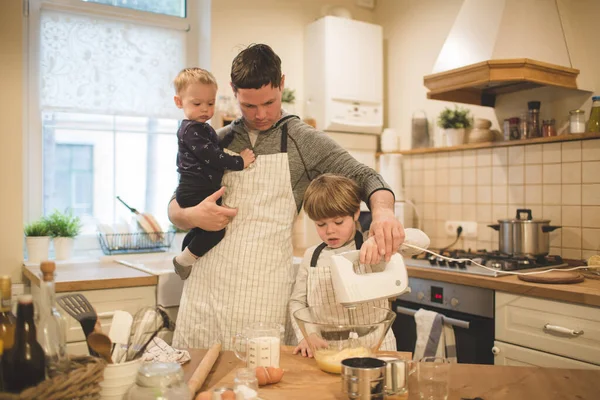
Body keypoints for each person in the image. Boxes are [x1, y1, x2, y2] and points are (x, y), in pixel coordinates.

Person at [168, 44, 404, 350]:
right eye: (249, 106)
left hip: (261, 290)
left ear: (282, 83)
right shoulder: (217, 139)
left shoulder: (302, 140)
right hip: (206, 287)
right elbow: (176, 203)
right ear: (233, 91)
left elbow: (366, 177)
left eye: (269, 102)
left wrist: (384, 213)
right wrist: (189, 216)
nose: (261, 114)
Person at [289, 174, 397, 357]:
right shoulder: (312, 257)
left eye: (338, 222)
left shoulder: (372, 246)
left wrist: (381, 239)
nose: (330, 231)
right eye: (321, 224)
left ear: (356, 213)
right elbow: (297, 302)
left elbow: (421, 241)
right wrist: (308, 334)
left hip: (377, 344)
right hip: (328, 349)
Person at [171, 67, 256, 279]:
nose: (205, 109)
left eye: (210, 103)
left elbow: (215, 145)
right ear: (179, 102)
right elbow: (213, 156)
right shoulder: (191, 130)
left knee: (200, 230)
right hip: (194, 190)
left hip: (198, 189)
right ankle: (183, 261)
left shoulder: (201, 128)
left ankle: (185, 252)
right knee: (216, 231)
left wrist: (233, 134)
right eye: (197, 104)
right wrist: (240, 161)